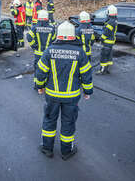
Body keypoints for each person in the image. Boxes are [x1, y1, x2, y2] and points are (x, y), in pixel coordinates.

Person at [36, 21, 93, 160]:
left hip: (52, 96)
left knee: (49, 121)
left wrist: (40, 86)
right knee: (68, 123)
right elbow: (86, 73)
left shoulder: (49, 50)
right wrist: (87, 91)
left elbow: (41, 71)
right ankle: (66, 151)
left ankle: (47, 148)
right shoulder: (80, 52)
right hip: (71, 97)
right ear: (73, 36)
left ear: (58, 35)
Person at [27, 10, 56, 90]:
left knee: (38, 69)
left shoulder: (35, 27)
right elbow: (54, 40)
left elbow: (29, 36)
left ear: (39, 18)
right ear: (47, 18)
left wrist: (34, 45)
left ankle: (37, 85)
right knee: (48, 68)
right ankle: (47, 84)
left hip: (38, 53)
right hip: (48, 54)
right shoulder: (51, 28)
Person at [97, 5, 117, 74]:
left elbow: (106, 32)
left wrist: (101, 38)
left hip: (107, 42)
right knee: (108, 55)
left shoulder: (110, 22)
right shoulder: (114, 20)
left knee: (104, 56)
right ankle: (106, 69)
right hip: (110, 42)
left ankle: (102, 70)